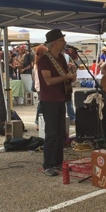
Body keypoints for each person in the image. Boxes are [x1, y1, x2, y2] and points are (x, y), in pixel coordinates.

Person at [37, 29, 76, 176]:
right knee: (51, 133)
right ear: (54, 43)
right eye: (62, 40)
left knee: (61, 133)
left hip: (61, 98)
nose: (64, 42)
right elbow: (48, 80)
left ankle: (58, 163)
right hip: (49, 100)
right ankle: (48, 165)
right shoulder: (45, 60)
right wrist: (66, 76)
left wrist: (71, 76)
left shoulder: (61, 58)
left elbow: (64, 75)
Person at [33, 44, 48, 131]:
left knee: (41, 104)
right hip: (40, 86)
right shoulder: (39, 64)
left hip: (39, 86)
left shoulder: (37, 63)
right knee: (41, 105)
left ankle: (39, 122)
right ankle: (38, 122)